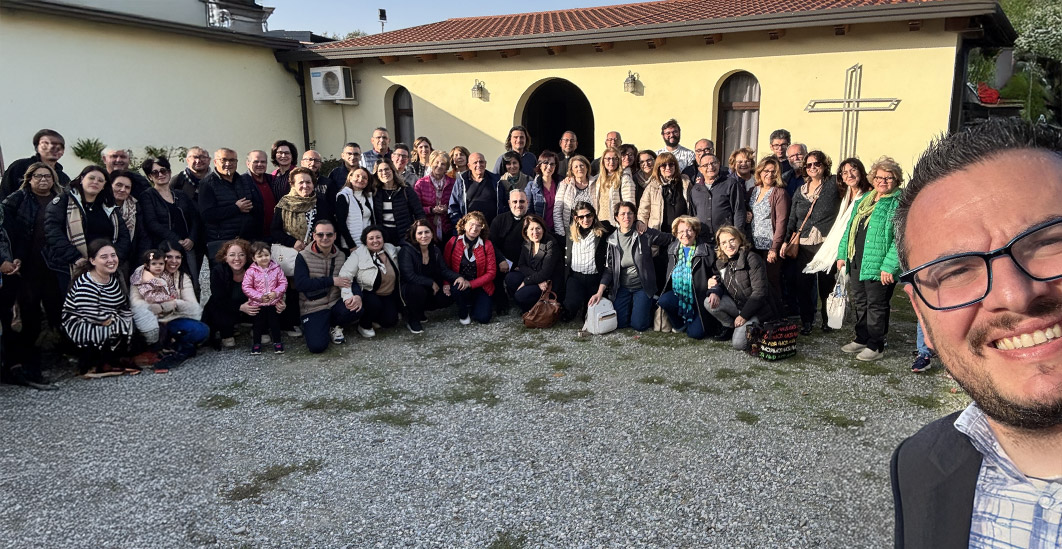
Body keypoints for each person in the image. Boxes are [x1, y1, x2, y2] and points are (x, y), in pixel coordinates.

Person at [890, 119, 1062, 547]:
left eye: (1049, 242)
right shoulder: (918, 466)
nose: (1014, 295)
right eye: (955, 271)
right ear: (921, 315)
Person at [0, 163, 62, 389]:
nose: (43, 180)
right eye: (38, 176)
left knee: (56, 311)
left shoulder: (61, 199)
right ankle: (25, 366)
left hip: (54, 265)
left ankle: (51, 358)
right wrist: (9, 258)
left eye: (47, 176)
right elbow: (8, 233)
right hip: (26, 267)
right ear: (29, 178)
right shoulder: (16, 200)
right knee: (28, 316)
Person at [836, 156, 903, 362]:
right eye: (879, 177)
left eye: (888, 178)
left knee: (876, 305)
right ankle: (862, 337)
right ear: (873, 178)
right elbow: (849, 229)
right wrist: (842, 255)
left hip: (879, 264)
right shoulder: (866, 199)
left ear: (896, 180)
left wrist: (889, 266)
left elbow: (900, 238)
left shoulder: (899, 202)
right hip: (857, 259)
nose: (883, 181)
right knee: (861, 302)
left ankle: (876, 345)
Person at [45, 165, 132, 293]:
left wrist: (113, 258)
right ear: (81, 179)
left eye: (100, 180)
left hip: (105, 267)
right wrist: (76, 258)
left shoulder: (108, 206)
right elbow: (52, 231)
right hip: (69, 266)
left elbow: (124, 235)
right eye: (91, 178)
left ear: (104, 185)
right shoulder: (63, 201)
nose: (95, 182)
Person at [591, 201, 673, 332]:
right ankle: (635, 306)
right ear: (616, 217)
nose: (626, 217)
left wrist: (685, 237)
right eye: (622, 214)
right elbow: (609, 269)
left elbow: (669, 239)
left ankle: (650, 302)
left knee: (639, 325)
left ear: (634, 216)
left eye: (630, 213)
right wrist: (599, 292)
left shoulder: (644, 233)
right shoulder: (612, 240)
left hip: (642, 287)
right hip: (623, 287)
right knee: (620, 323)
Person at [128, 241, 209, 369]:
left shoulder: (182, 277)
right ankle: (165, 347)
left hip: (173, 319)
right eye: (169, 257)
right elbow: (135, 302)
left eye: (178, 257)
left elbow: (194, 308)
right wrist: (153, 307)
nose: (174, 261)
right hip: (150, 319)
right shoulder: (141, 274)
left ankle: (172, 346)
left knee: (201, 330)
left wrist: (173, 303)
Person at [785, 150, 841, 335]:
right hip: (803, 244)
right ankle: (807, 322)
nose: (813, 167)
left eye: (817, 163)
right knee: (804, 285)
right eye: (809, 165)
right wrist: (786, 240)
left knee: (827, 285)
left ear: (824, 165)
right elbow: (792, 218)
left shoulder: (834, 184)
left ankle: (827, 320)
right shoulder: (800, 191)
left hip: (826, 243)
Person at [62, 240, 134, 377]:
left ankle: (115, 359)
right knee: (114, 329)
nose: (111, 260)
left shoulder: (112, 279)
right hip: (82, 325)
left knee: (131, 322)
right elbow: (93, 315)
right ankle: (94, 365)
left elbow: (122, 305)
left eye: (113, 255)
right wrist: (119, 320)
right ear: (92, 261)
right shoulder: (86, 283)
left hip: (109, 318)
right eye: (104, 257)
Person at [294, 219, 359, 353]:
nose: (325, 238)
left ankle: (335, 325)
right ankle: (320, 326)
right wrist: (332, 281)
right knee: (317, 347)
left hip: (335, 302)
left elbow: (351, 279)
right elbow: (301, 284)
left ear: (335, 236)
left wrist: (358, 296)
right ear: (314, 236)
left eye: (329, 234)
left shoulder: (341, 255)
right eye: (320, 234)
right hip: (313, 307)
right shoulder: (302, 256)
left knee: (357, 307)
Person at [706, 226, 774, 349]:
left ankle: (757, 327)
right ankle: (729, 326)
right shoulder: (721, 262)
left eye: (732, 240)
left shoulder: (752, 259)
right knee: (708, 302)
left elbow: (760, 293)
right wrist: (714, 290)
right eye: (723, 242)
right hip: (737, 305)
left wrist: (743, 316)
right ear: (720, 246)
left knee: (739, 344)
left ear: (740, 240)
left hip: (757, 310)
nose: (728, 245)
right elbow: (719, 281)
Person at [803, 157, 872, 275]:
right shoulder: (844, 194)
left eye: (853, 170)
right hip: (838, 246)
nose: (849, 175)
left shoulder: (869, 195)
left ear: (861, 171)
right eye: (845, 172)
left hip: (856, 249)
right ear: (842, 177)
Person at [139, 156, 200, 285]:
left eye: (163, 170)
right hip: (163, 248)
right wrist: (176, 239)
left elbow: (194, 218)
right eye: (155, 173)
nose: (160, 175)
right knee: (166, 283)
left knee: (192, 282)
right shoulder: (148, 196)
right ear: (150, 177)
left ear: (169, 172)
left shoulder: (181, 195)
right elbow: (152, 223)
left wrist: (191, 239)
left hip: (187, 247)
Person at [198, 148, 262, 265]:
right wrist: (236, 208)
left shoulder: (244, 181)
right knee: (222, 275)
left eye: (232, 160)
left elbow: (255, 207)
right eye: (224, 160)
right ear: (215, 162)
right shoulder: (207, 184)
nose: (228, 163)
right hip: (221, 243)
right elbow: (207, 215)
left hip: (245, 241)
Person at [339, 225, 402, 338]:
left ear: (383, 238)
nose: (375, 241)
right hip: (368, 292)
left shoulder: (390, 248)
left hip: (387, 293)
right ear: (365, 240)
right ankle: (364, 325)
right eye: (371, 238)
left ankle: (375, 318)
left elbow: (403, 249)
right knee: (374, 304)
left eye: (378, 237)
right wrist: (348, 296)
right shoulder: (358, 254)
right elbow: (345, 274)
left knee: (390, 322)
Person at [398, 219, 460, 334]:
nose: (424, 236)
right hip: (410, 289)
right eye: (420, 233)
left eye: (427, 232)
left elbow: (444, 270)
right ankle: (412, 318)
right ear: (414, 235)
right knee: (417, 290)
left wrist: (458, 277)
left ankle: (421, 311)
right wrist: (430, 282)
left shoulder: (435, 250)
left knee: (447, 297)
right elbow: (409, 276)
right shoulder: (406, 250)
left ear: (432, 233)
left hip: (429, 288)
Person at [658, 216, 715, 339]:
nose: (685, 234)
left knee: (695, 334)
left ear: (695, 231)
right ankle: (680, 324)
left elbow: (717, 274)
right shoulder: (672, 249)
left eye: (689, 230)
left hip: (699, 299)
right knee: (664, 300)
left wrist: (714, 287)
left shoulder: (706, 250)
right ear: (676, 234)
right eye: (681, 231)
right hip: (679, 296)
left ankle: (693, 321)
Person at [746, 156, 790, 307]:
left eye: (773, 172)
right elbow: (746, 209)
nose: (769, 175)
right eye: (766, 171)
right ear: (759, 172)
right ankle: (761, 312)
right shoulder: (753, 191)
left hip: (769, 246)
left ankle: (776, 313)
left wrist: (774, 248)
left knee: (771, 280)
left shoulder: (779, 193)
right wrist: (747, 213)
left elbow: (781, 222)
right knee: (756, 281)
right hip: (753, 245)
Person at [562, 201, 612, 322]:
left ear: (593, 215)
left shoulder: (604, 229)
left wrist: (638, 222)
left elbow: (623, 226)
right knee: (571, 305)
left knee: (591, 314)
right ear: (576, 218)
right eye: (581, 217)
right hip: (576, 277)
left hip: (594, 278)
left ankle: (586, 308)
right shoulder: (570, 231)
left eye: (588, 215)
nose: (585, 219)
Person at [202, 238, 257, 348]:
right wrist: (240, 307)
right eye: (232, 255)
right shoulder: (218, 271)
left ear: (247, 257)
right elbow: (219, 298)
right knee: (215, 304)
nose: (237, 258)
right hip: (226, 305)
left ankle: (258, 329)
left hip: (248, 304)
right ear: (225, 257)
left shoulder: (254, 270)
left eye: (241, 255)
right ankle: (226, 333)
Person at [444, 211, 496, 324]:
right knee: (456, 288)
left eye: (479, 225)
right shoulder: (453, 242)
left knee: (483, 318)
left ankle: (474, 305)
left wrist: (471, 284)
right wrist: (446, 283)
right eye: (471, 224)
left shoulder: (487, 244)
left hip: (481, 286)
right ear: (464, 225)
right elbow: (445, 266)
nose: (475, 228)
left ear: (482, 228)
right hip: (460, 284)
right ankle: (463, 313)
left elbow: (491, 273)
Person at [687, 152, 747, 248]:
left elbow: (739, 211)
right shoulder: (695, 190)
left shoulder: (731, 184)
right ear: (700, 169)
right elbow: (693, 216)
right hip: (703, 241)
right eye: (705, 165)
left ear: (719, 164)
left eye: (713, 163)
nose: (710, 167)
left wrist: (737, 236)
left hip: (726, 240)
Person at [505, 215, 560, 313]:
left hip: (547, 282)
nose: (535, 232)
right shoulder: (527, 242)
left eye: (538, 228)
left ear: (543, 229)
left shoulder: (551, 243)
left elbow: (545, 273)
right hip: (538, 278)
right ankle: (527, 305)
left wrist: (526, 281)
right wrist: (537, 281)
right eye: (531, 229)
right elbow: (521, 265)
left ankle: (535, 308)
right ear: (526, 231)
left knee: (520, 295)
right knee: (510, 278)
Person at [241, 241, 287, 355]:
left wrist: (276, 293)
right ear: (254, 258)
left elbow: (283, 283)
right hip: (258, 304)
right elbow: (246, 287)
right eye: (260, 256)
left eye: (266, 255)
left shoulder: (276, 268)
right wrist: (259, 297)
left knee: (275, 324)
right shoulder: (251, 271)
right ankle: (256, 343)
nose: (264, 258)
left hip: (273, 303)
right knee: (257, 325)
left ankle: (277, 342)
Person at [490, 190, 531, 315]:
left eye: (522, 201)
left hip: (526, 265)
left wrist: (522, 265)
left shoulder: (533, 220)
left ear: (527, 202)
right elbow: (491, 244)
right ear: (509, 203)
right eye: (515, 201)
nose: (518, 205)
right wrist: (502, 260)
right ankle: (501, 302)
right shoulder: (499, 220)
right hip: (503, 262)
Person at [0, 129, 71, 200]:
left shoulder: (64, 178)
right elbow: (4, 195)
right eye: (46, 144)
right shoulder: (19, 167)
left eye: (58, 146)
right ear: (37, 148)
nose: (52, 148)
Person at [373, 158, 425, 245]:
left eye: (387, 169)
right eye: (380, 171)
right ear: (377, 175)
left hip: (405, 236)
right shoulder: (375, 192)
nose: (384, 173)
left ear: (393, 171)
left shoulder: (405, 189)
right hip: (384, 237)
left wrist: (418, 231)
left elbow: (419, 212)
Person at [449, 153, 504, 228]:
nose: (479, 165)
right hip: (469, 229)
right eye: (475, 162)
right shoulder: (461, 181)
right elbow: (453, 207)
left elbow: (503, 204)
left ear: (485, 163)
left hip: (492, 228)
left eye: (481, 162)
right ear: (469, 166)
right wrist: (461, 225)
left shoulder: (496, 180)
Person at [638, 152, 690, 232]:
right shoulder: (652, 187)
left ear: (675, 166)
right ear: (658, 168)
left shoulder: (685, 183)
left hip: (683, 232)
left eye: (671, 164)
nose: (668, 168)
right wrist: (643, 230)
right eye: (663, 165)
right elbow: (643, 212)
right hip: (659, 232)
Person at [414, 150, 454, 241]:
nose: (439, 166)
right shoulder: (421, 183)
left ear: (447, 167)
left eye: (443, 164)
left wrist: (447, 209)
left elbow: (457, 205)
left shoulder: (453, 183)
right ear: (431, 163)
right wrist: (431, 210)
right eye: (437, 162)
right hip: (427, 228)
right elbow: (416, 208)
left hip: (448, 228)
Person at [591, 147, 635, 227]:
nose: (611, 162)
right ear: (603, 161)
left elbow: (629, 204)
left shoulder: (624, 178)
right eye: (608, 159)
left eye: (615, 159)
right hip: (599, 223)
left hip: (616, 224)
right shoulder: (597, 179)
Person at [553, 155, 595, 237]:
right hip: (570, 230)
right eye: (576, 167)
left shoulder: (595, 184)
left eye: (582, 165)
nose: (579, 168)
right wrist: (561, 232)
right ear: (571, 170)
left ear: (587, 167)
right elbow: (557, 210)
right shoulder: (565, 185)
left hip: (592, 229)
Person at [335, 167, 374, 253]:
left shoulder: (368, 197)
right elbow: (341, 224)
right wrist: (351, 245)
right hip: (350, 246)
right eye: (357, 176)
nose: (361, 179)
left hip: (367, 244)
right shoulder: (343, 196)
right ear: (350, 177)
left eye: (365, 178)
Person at [110, 170, 146, 261]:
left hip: (129, 259)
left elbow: (142, 236)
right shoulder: (100, 206)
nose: (123, 190)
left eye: (127, 187)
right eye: (119, 185)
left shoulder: (136, 208)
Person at [242, 150, 277, 239]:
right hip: (253, 237)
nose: (260, 164)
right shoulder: (241, 182)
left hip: (274, 235)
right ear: (248, 164)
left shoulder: (272, 180)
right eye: (256, 161)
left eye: (263, 162)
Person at [527, 151, 560, 234]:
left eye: (552, 164)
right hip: (539, 231)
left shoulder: (561, 184)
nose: (549, 167)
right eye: (546, 163)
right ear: (540, 165)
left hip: (558, 230)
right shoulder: (531, 186)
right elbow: (528, 210)